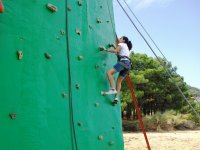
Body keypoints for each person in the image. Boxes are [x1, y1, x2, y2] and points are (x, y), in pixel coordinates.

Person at [105, 36, 133, 104]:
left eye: (120, 38)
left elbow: (115, 51)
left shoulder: (121, 44)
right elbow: (118, 51)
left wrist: (106, 50)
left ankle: (112, 89)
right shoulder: (126, 47)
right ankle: (116, 97)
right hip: (128, 65)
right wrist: (114, 46)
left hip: (123, 62)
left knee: (109, 73)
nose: (119, 39)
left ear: (123, 40)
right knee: (119, 82)